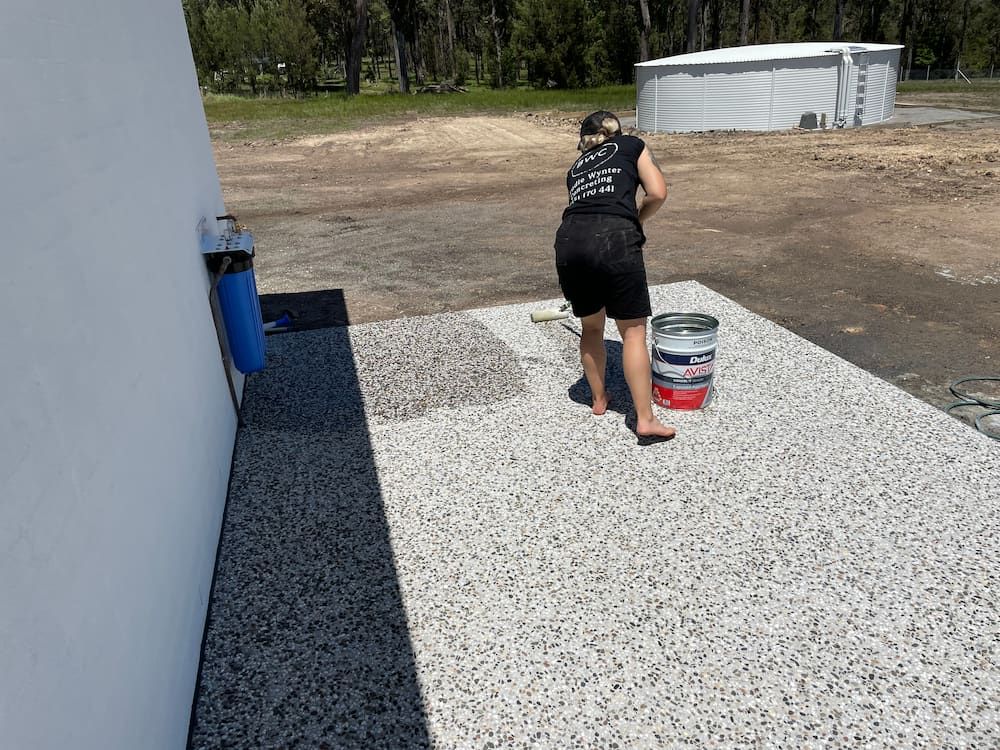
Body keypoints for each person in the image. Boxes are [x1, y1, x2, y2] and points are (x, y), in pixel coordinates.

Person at [553, 110, 675, 442]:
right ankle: (645, 419)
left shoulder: (575, 168)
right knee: (633, 334)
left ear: (584, 140)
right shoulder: (631, 145)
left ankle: (597, 399)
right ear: (616, 131)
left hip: (569, 241)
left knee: (591, 328)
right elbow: (658, 192)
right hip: (615, 238)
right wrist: (636, 218)